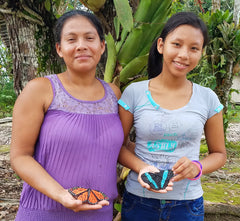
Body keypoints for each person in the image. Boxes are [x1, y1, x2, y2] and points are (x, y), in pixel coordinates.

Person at [10, 10, 123, 221]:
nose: (81, 45)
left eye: (90, 38)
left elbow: (118, 148)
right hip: (44, 213)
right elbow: (19, 157)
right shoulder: (40, 90)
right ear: (60, 49)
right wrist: (61, 195)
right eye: (71, 39)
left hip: (100, 213)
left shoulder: (113, 95)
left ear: (102, 46)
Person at [118, 12, 227, 221]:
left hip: (187, 205)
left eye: (194, 48)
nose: (184, 54)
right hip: (140, 202)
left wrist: (197, 167)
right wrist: (143, 169)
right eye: (176, 44)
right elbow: (118, 147)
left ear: (201, 53)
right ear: (161, 45)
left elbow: (219, 154)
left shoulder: (208, 98)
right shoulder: (134, 93)